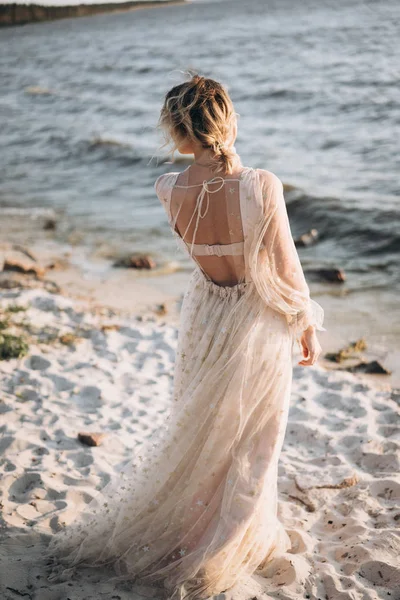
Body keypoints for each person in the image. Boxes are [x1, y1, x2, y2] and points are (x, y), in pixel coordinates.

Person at [45, 74, 325, 600]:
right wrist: (306, 320)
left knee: (202, 427)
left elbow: (204, 248)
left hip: (203, 313)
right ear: (228, 120)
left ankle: (189, 529)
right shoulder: (261, 184)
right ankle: (225, 543)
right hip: (251, 316)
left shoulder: (168, 188)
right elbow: (286, 267)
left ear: (177, 132)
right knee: (253, 437)